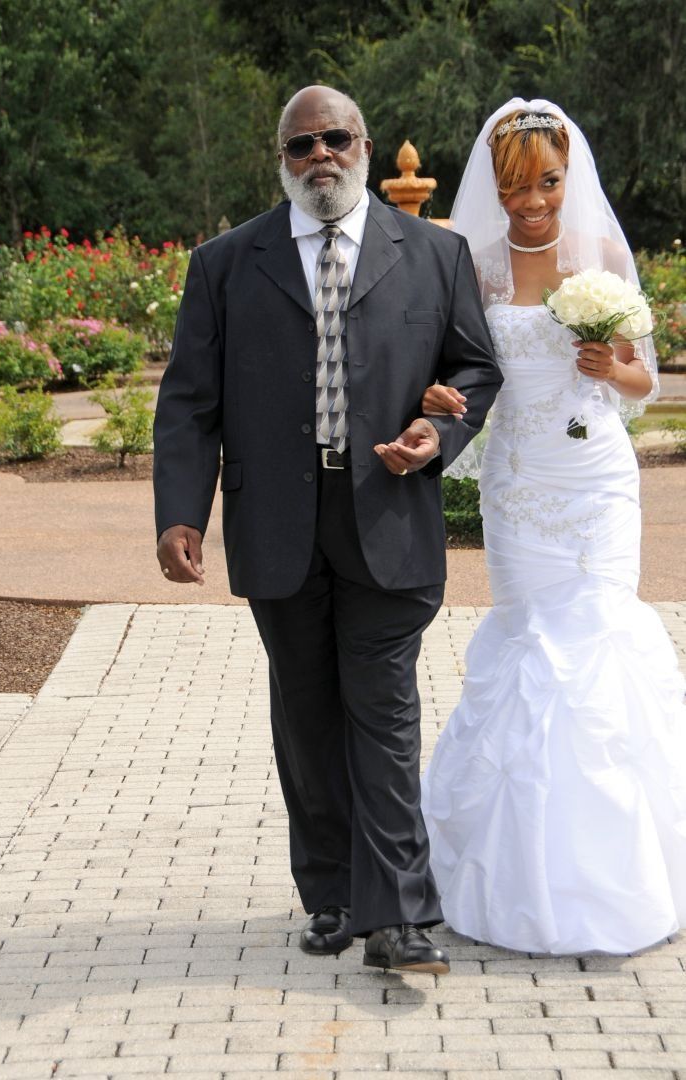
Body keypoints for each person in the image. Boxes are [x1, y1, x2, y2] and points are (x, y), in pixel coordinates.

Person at [153, 85, 502, 973]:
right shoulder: (227, 263)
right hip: (276, 528)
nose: (320, 156)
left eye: (335, 139)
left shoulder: (432, 252)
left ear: (365, 146)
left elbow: (474, 367)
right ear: (280, 156)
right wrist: (181, 514)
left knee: (381, 716)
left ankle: (399, 918)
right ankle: (333, 896)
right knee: (306, 720)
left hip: (389, 519)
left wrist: (439, 434)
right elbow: (189, 405)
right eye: (302, 143)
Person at [421, 98, 686, 955]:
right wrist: (442, 398)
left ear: (568, 178)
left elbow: (642, 384)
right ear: (492, 186)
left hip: (598, 483)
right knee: (533, 648)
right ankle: (519, 875)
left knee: (605, 642)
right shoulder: (476, 265)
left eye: (546, 183)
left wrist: (613, 365)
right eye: (512, 186)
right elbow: (461, 366)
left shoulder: (603, 256)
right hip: (520, 487)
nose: (530, 200)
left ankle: (620, 874)